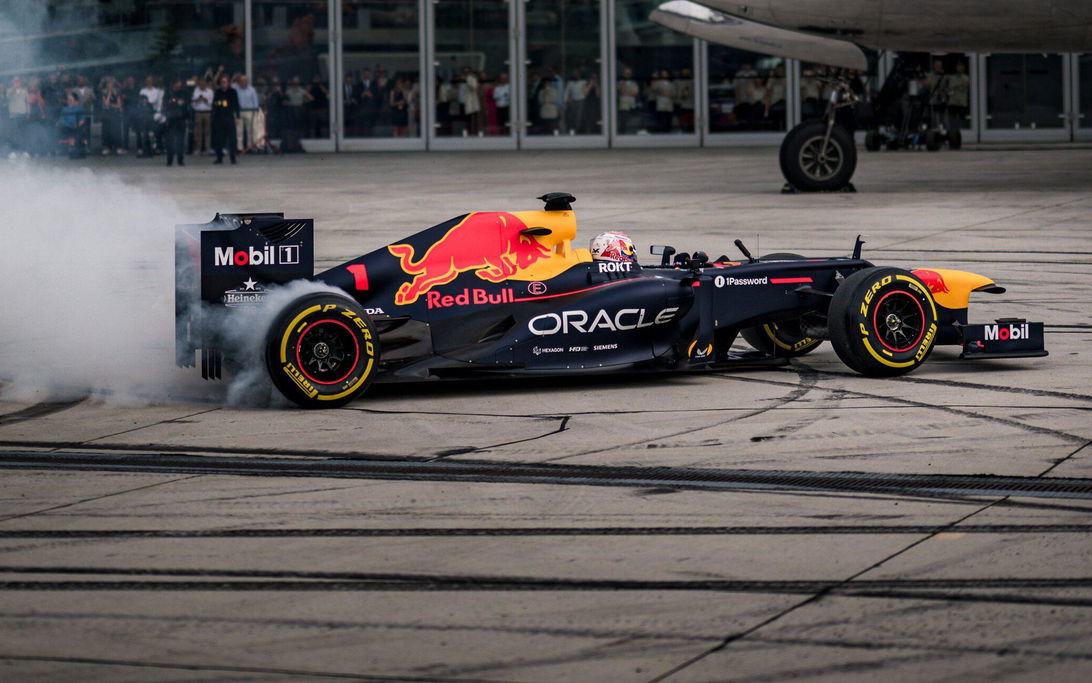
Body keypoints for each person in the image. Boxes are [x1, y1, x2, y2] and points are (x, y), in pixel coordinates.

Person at [210, 75, 240, 164]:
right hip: (219, 118)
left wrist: (237, 116)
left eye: (225, 82)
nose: (224, 84)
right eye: (222, 82)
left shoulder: (232, 92)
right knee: (219, 138)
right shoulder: (218, 92)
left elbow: (236, 104)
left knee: (232, 138)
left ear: (228, 83)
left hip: (229, 117)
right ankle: (219, 157)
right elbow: (215, 104)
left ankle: (233, 157)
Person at [163, 80, 189, 166]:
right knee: (170, 140)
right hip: (170, 119)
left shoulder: (184, 93)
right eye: (177, 83)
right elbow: (166, 104)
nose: (179, 85)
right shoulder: (168, 93)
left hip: (181, 119)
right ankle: (169, 160)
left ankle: (180, 160)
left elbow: (185, 103)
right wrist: (175, 102)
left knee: (180, 141)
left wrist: (176, 102)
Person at [233, 74, 260, 151]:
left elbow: (255, 101)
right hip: (239, 111)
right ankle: (239, 148)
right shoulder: (236, 89)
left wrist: (255, 110)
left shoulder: (252, 90)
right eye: (242, 81)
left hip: (249, 111)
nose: (244, 82)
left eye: (245, 81)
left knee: (250, 130)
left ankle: (249, 147)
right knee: (239, 130)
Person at [100, 78, 125, 155]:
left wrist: (111, 105)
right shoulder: (104, 93)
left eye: (111, 84)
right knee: (106, 131)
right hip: (106, 114)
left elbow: (119, 105)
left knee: (116, 131)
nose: (110, 85)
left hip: (115, 114)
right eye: (108, 84)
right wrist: (109, 94)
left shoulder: (117, 92)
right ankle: (107, 147)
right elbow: (106, 103)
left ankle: (118, 147)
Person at [191, 77, 213, 154]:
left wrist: (205, 100)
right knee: (198, 131)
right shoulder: (196, 91)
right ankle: (198, 148)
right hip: (198, 113)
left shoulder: (210, 91)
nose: (202, 85)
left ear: (206, 84)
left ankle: (208, 148)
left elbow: (211, 103)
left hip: (207, 112)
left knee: (207, 131)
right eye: (201, 84)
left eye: (203, 84)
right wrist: (198, 100)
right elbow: (193, 103)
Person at [563, 68, 587, 135]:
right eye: (574, 73)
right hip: (573, 101)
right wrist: (566, 100)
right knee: (572, 117)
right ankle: (572, 131)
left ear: (579, 74)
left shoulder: (583, 82)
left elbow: (586, 92)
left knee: (579, 117)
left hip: (581, 101)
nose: (575, 75)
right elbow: (566, 92)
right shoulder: (570, 83)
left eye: (576, 73)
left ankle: (577, 131)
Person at [617, 68, 639, 133]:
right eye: (626, 73)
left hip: (632, 105)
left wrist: (626, 93)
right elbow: (621, 92)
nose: (628, 75)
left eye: (629, 73)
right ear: (623, 74)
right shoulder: (620, 82)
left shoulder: (634, 83)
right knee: (624, 122)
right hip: (623, 106)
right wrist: (624, 83)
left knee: (631, 122)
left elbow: (635, 93)